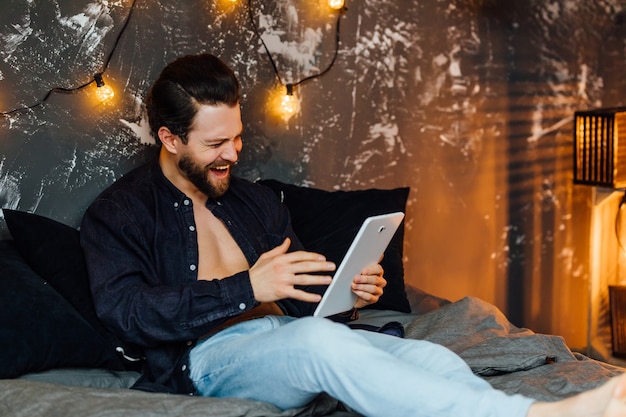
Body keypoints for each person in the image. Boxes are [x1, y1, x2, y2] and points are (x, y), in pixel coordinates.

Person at [80, 52, 626, 417]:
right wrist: (247, 288)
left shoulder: (255, 201)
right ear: (170, 138)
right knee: (318, 345)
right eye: (215, 144)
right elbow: (127, 314)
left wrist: (347, 294)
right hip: (205, 361)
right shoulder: (121, 213)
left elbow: (304, 310)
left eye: (238, 138)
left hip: (285, 341)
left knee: (432, 358)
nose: (233, 154)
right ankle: (534, 415)